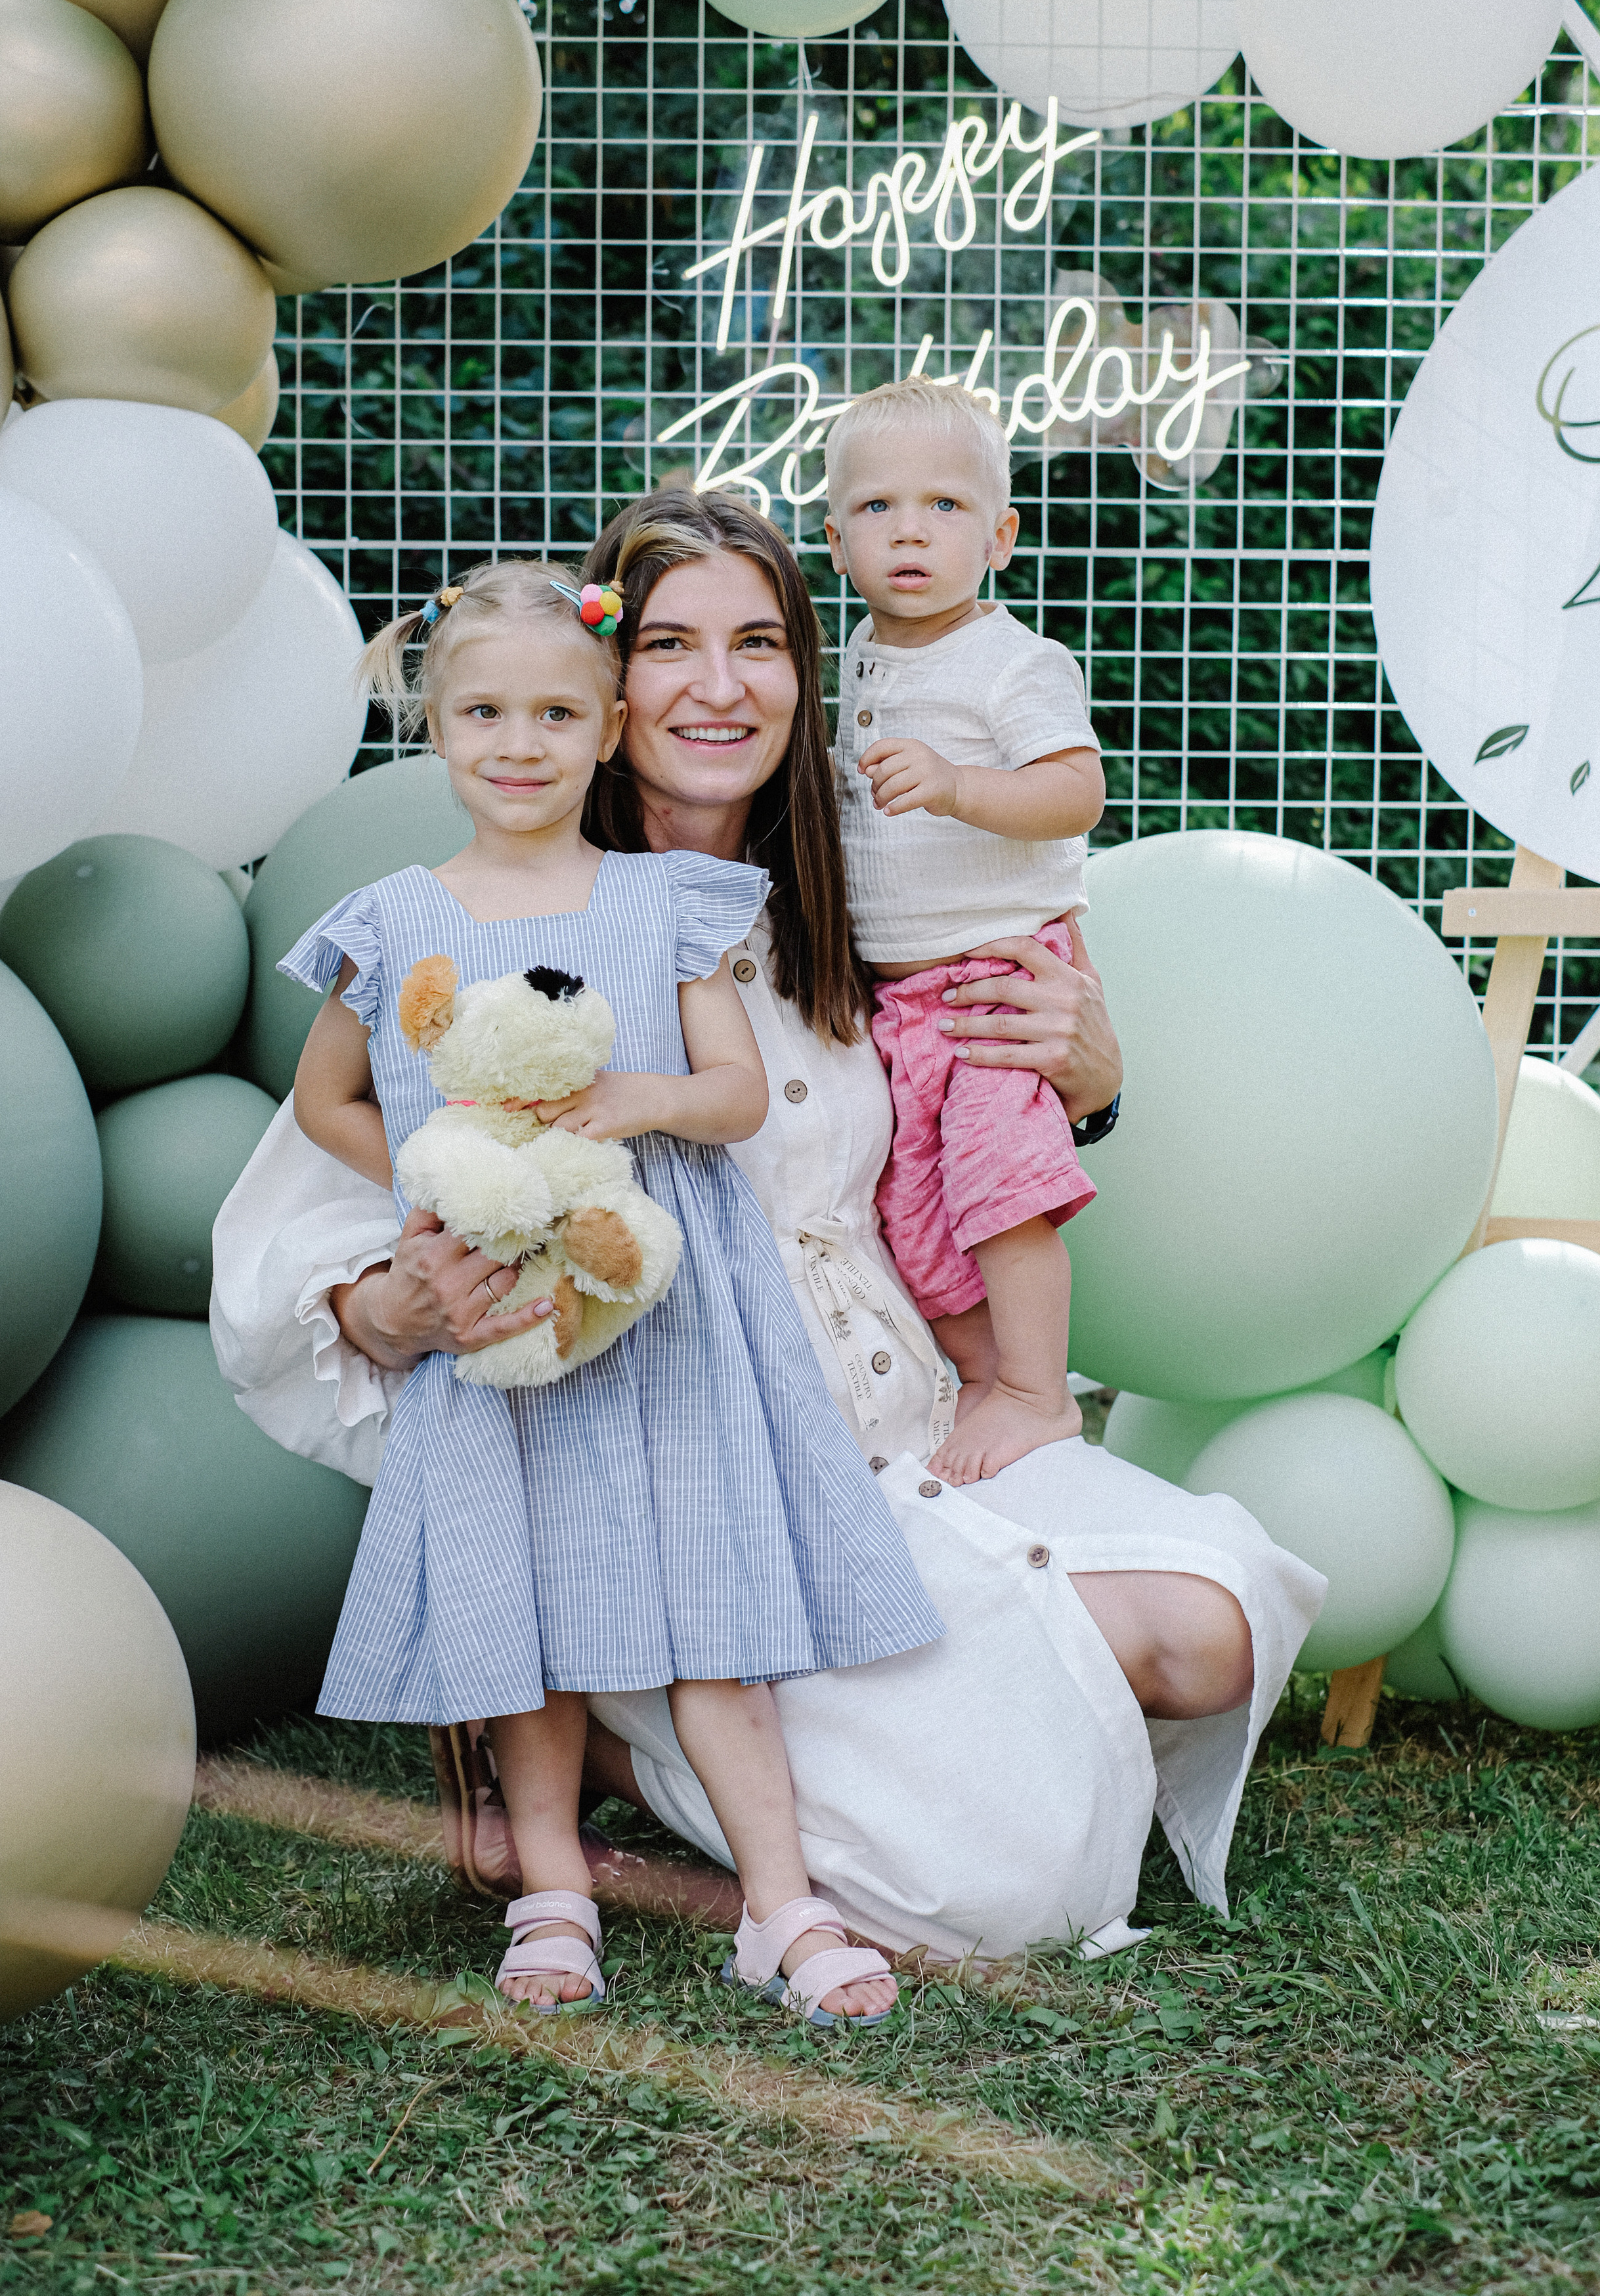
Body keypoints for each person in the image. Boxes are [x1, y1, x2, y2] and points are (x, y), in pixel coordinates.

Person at [213, 488, 1324, 1970]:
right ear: (610, 691)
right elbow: (311, 1212)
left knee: (1213, 1630)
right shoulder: (503, 919)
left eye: (759, 642)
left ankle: (970, 1699)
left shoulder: (861, 885)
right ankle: (593, 1730)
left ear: (807, 672)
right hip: (673, 1474)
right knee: (1006, 1891)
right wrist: (393, 1303)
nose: (719, 686)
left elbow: (973, 1134)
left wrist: (1091, 1081)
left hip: (909, 1426)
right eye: (671, 643)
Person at [270, 554, 943, 2024]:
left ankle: (781, 1905)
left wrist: (646, 1097)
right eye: (484, 715)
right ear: (434, 727)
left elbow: (737, 1093)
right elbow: (328, 1099)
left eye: (556, 716)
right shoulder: (394, 918)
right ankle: (554, 1887)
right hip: (507, 1324)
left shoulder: (662, 900)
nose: (519, 747)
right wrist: (440, 1180)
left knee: (719, 1610)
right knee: (533, 1622)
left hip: (671, 1322)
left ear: (608, 727)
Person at [825, 375, 1104, 1484]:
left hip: (997, 976)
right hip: (902, 997)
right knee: (912, 1206)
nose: (910, 531)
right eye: (879, 507)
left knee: (1000, 1186)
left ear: (1001, 538)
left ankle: (1041, 1392)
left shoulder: (1012, 661)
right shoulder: (858, 650)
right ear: (836, 540)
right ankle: (987, 1376)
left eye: (945, 506)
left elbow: (1075, 793)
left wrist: (955, 785)